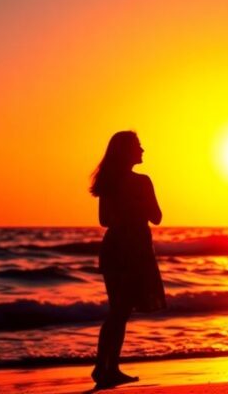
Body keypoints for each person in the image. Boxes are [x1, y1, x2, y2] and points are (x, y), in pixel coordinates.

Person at [89, 131, 166, 389]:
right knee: (119, 312)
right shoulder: (142, 182)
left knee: (120, 311)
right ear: (127, 151)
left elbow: (104, 221)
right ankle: (103, 367)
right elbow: (156, 216)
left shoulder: (109, 182)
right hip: (132, 250)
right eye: (138, 146)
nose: (143, 150)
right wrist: (138, 205)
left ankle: (109, 367)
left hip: (115, 248)